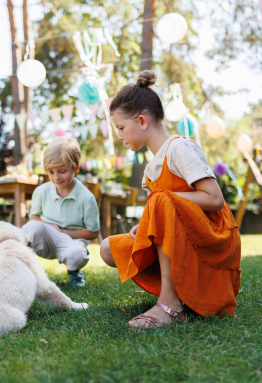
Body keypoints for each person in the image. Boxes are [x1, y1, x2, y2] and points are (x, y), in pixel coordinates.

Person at [100, 71, 241, 328]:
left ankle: (171, 304)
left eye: (121, 128)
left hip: (211, 236)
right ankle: (180, 288)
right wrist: (147, 223)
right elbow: (163, 211)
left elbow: (215, 199)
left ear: (142, 121)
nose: (119, 135)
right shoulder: (150, 169)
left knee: (160, 200)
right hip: (181, 236)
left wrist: (161, 204)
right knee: (109, 249)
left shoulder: (179, 148)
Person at [21, 138, 100, 287]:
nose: (56, 177)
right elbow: (34, 218)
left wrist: (65, 233)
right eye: (51, 172)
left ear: (76, 168)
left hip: (72, 240)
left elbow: (93, 232)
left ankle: (74, 270)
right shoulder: (41, 191)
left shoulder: (86, 198)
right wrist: (50, 225)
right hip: (48, 238)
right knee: (30, 228)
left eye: (62, 171)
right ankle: (23, 268)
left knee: (77, 254)